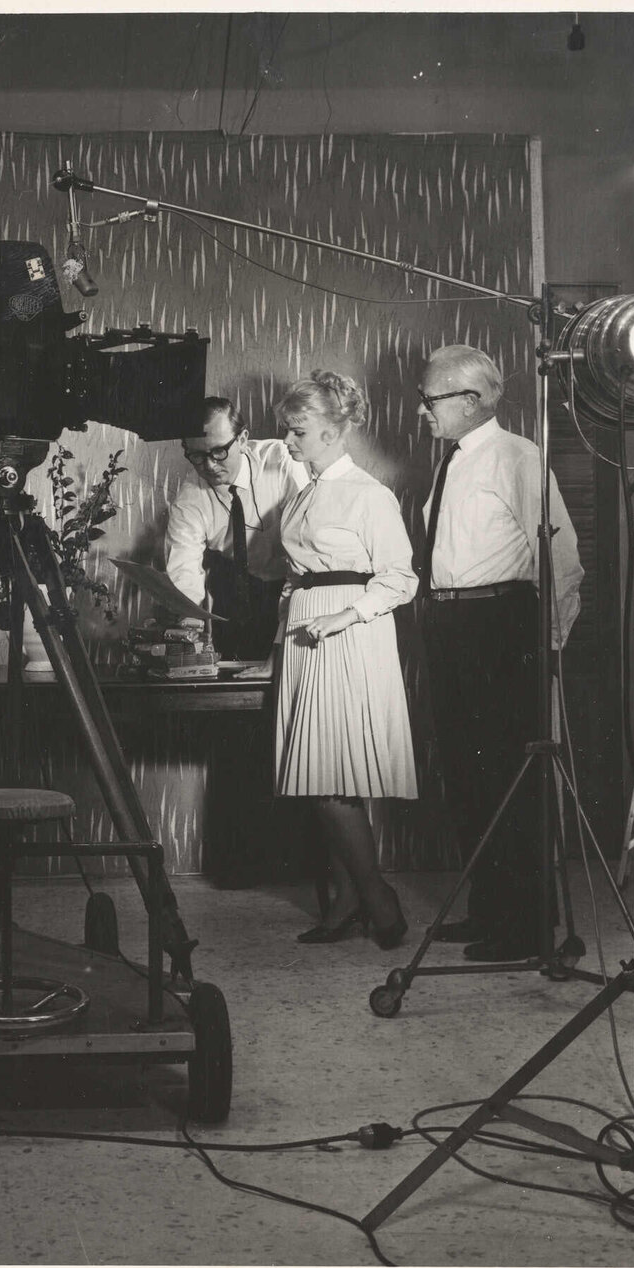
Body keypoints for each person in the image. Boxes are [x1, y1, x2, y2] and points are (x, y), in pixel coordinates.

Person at [411, 344, 584, 963]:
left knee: (511, 779)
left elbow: (562, 560)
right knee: (467, 776)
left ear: (472, 401)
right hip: (454, 623)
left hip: (500, 626)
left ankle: (528, 926)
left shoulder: (516, 457)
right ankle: (490, 912)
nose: (422, 411)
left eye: (431, 400)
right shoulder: (453, 461)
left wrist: (550, 644)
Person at [272, 371, 418, 948]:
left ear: (334, 431)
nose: (289, 439)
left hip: (349, 634)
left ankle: (375, 895)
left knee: (334, 781)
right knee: (321, 778)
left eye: (299, 430)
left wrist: (344, 617)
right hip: (306, 633)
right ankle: (350, 900)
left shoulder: (369, 494)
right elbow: (299, 567)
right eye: (288, 429)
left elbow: (401, 578)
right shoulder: (304, 491)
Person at [164, 396, 308, 659]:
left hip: (292, 582)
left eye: (218, 451)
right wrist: (190, 621)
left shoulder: (282, 462)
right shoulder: (189, 497)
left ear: (242, 439)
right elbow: (184, 568)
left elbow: (306, 539)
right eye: (196, 455)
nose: (209, 465)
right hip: (235, 589)